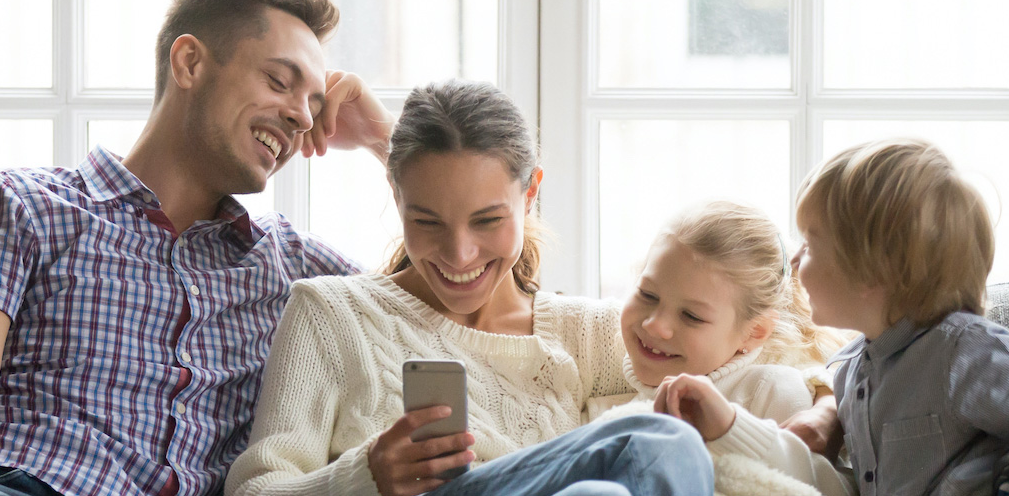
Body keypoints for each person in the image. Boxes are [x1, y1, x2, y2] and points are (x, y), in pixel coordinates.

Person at [0, 0, 395, 496]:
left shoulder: (290, 265)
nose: (303, 118)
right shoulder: (26, 208)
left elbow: (462, 292)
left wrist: (383, 140)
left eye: (314, 106)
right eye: (280, 81)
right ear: (189, 63)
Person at [224, 79, 714, 496]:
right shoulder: (334, 313)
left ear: (530, 193)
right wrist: (364, 477)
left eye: (487, 221)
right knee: (660, 442)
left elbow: (740, 366)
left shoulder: (590, 334)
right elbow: (254, 488)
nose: (460, 255)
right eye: (427, 221)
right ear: (396, 199)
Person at [661, 138, 1009, 495]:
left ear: (870, 270)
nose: (795, 262)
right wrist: (730, 428)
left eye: (810, 245)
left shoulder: (963, 352)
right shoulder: (850, 372)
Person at [582, 201, 856, 496]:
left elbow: (826, 487)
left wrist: (732, 430)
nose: (655, 325)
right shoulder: (611, 403)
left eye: (691, 316)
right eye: (647, 294)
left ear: (754, 332)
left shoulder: (771, 389)